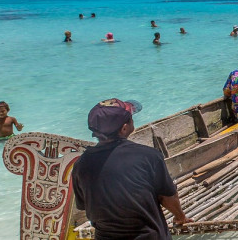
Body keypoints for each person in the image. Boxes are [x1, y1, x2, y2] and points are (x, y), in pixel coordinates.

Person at [72, 98, 191, 239]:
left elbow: (85, 205)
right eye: (131, 118)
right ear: (124, 128)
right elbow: (167, 197)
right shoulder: (149, 156)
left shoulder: (81, 164)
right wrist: (180, 217)